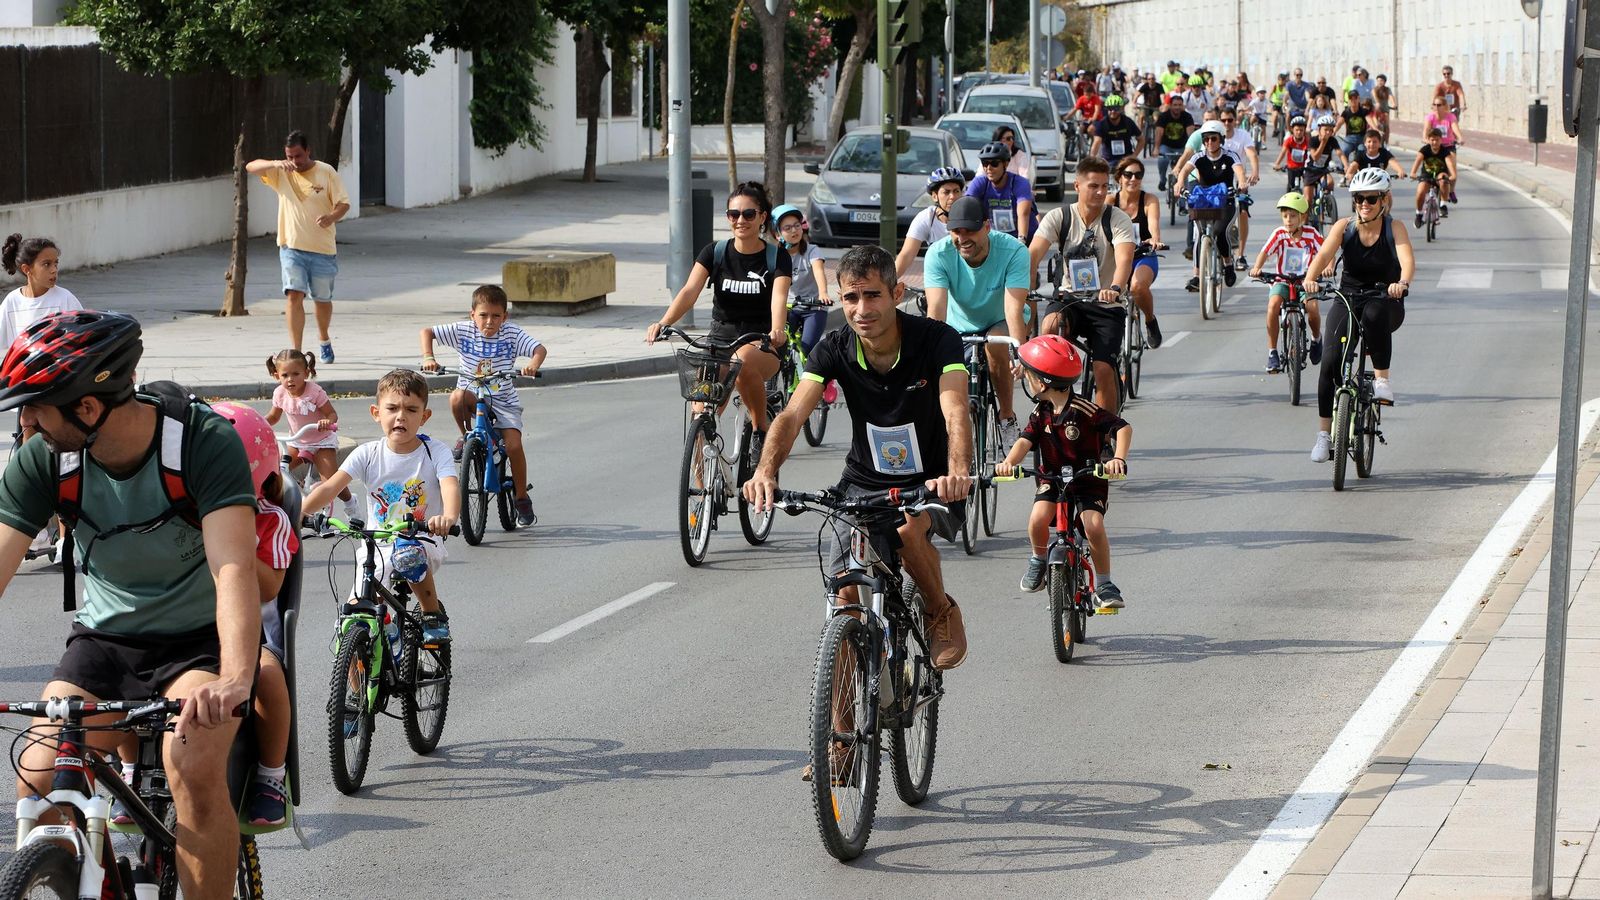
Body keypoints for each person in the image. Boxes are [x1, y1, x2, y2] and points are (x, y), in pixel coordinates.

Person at [0, 310, 259, 898]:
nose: (26, 423)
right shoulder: (44, 458)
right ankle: (83, 879)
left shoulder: (200, 441)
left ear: (87, 408)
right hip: (103, 642)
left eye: (35, 407)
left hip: (196, 644)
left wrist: (237, 679)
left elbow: (234, 568)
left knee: (191, 766)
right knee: (38, 778)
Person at [743, 244, 971, 669]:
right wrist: (765, 471)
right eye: (850, 297)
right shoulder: (834, 348)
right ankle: (841, 736)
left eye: (872, 295)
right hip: (864, 481)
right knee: (844, 600)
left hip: (933, 480)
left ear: (897, 293)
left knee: (905, 532)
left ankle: (939, 608)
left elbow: (956, 407)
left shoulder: (938, 339)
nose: (860, 308)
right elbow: (793, 415)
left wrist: (958, 471)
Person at [301, 369, 461, 640]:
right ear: (377, 413)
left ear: (424, 416)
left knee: (408, 554)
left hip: (422, 539)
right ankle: (357, 670)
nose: (401, 416)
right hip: (377, 547)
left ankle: (432, 614)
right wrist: (298, 512)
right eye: (392, 408)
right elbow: (331, 487)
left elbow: (450, 485)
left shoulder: (436, 452)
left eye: (411, 410)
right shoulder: (368, 453)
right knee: (351, 625)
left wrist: (448, 516)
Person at [207, 402, 300, 828]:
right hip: (186, 631)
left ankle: (270, 773)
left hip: (251, 634)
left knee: (268, 676)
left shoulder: (271, 520)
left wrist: (233, 539)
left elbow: (268, 588)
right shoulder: (183, 514)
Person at [645, 181, 790, 440]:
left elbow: (778, 298)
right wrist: (663, 322)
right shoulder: (715, 252)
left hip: (762, 342)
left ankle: (759, 431)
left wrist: (777, 329)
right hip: (718, 342)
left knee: (742, 362)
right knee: (700, 417)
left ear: (762, 218)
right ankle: (704, 479)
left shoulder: (776, 257)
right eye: (734, 214)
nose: (740, 220)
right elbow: (690, 291)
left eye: (748, 214)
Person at [995, 335, 1131, 607]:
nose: (1026, 379)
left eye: (1029, 375)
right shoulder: (1040, 412)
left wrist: (1118, 458)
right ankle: (1038, 559)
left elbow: (1123, 428)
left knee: (1093, 525)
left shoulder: (1085, 410)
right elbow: (1025, 441)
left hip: (1087, 479)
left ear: (1043, 383)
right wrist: (1008, 462)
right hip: (1053, 479)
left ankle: (1104, 583)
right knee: (1037, 520)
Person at [1302, 168, 1414, 462]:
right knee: (1330, 362)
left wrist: (1401, 284)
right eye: (1358, 198)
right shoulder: (1344, 227)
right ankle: (1324, 435)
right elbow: (1323, 256)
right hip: (1348, 296)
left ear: (1384, 199)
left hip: (1384, 298)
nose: (1364, 203)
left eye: (1371, 198)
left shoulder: (1395, 227)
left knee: (1375, 314)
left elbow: (1406, 261)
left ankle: (1382, 380)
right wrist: (1310, 279)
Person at [419, 285, 546, 527]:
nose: (489, 321)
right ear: (472, 314)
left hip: (503, 401)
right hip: (472, 395)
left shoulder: (511, 333)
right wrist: (428, 357)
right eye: (483, 315)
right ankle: (466, 436)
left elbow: (539, 349)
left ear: (505, 317)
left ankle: (521, 497)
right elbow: (427, 332)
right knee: (456, 397)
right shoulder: (463, 331)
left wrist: (532, 364)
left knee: (514, 445)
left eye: (496, 316)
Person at [1027, 157, 1138, 413]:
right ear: (1077, 185)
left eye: (1104, 186)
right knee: (1050, 327)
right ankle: (1051, 410)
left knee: (1102, 369)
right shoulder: (1059, 217)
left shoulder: (1117, 219)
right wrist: (1023, 287)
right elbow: (1032, 256)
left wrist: (1117, 287)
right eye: (1093, 186)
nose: (1100, 192)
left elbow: (1124, 259)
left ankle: (1105, 432)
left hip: (1106, 305)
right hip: (1070, 300)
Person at [2, 234, 83, 561]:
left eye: (56, 264)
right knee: (29, 461)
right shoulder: (12, 304)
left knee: (66, 461)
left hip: (61, 394)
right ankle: (35, 530)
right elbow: (8, 352)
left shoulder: (65, 300)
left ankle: (66, 538)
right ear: (26, 269)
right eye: (46, 264)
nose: (54, 271)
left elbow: (82, 340)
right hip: (29, 397)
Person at [924, 196, 1030, 442]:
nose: (962, 239)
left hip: (1000, 320)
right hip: (958, 325)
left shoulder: (1014, 251)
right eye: (956, 231)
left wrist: (1020, 352)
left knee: (995, 345)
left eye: (970, 231)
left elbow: (1013, 308)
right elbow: (936, 310)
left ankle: (1006, 416)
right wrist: (929, 351)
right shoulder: (938, 254)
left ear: (987, 226)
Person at [245, 130, 350, 364]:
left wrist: (331, 217)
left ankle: (323, 338)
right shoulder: (281, 172)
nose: (294, 162)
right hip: (291, 247)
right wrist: (276, 163)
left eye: (298, 156)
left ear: (308, 151)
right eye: (290, 156)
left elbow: (344, 203)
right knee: (294, 294)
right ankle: (297, 352)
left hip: (322, 249)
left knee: (322, 299)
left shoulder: (326, 172)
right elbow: (251, 167)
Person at [264, 348, 359, 520]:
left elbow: (332, 414)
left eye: (296, 374)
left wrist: (327, 422)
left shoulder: (314, 392)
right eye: (285, 375)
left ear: (306, 373)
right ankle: (289, 498)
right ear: (277, 375)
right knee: (278, 471)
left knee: (331, 480)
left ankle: (350, 502)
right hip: (297, 441)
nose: (290, 379)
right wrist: (260, 423)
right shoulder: (279, 393)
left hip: (322, 441)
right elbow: (273, 416)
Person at [1249, 192, 1324, 373]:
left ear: (1302, 217)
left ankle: (1316, 339)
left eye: (1292, 216)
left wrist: (1328, 266)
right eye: (1285, 216)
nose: (1288, 220)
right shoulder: (1280, 234)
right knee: (1273, 305)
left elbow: (1326, 253)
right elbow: (1265, 252)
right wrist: (1257, 268)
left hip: (1306, 282)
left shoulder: (1312, 234)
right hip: (1282, 280)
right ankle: (1273, 352)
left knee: (1312, 307)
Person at [1110, 156, 1166, 349]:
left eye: (1138, 175)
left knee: (1137, 287)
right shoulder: (1110, 201)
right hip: (1115, 260)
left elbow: (1153, 226)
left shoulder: (1149, 200)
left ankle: (1150, 320)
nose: (1133, 179)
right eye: (1128, 174)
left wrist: (1154, 239)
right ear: (1119, 178)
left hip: (1143, 257)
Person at [772, 205, 832, 357]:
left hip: (814, 307)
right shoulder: (775, 256)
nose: (794, 230)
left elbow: (818, 271)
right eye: (787, 227)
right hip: (789, 307)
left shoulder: (812, 250)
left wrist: (823, 293)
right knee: (777, 346)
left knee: (807, 348)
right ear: (778, 234)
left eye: (797, 225)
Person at [897, 167, 964, 278]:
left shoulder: (969, 215)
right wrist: (888, 284)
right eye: (946, 192)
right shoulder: (926, 217)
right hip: (938, 278)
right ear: (934, 196)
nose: (952, 196)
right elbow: (906, 255)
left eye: (956, 191)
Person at [966, 142, 1037, 244]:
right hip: (993, 239)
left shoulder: (1020, 183)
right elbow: (967, 207)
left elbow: (1023, 214)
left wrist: (1021, 241)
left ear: (1006, 164)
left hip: (1023, 238)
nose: (989, 168)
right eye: (985, 163)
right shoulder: (980, 182)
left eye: (994, 163)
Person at [1410, 128, 1457, 225]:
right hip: (1426, 175)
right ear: (1428, 139)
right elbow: (1417, 161)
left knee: (1444, 180)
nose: (1434, 142)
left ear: (1441, 140)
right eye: (1432, 140)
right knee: (1420, 191)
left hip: (1440, 174)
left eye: (1437, 139)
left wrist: (1452, 175)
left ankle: (1443, 204)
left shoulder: (1445, 152)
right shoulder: (1424, 150)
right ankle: (1419, 214)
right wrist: (1413, 173)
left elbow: (1450, 165)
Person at [1303, 115, 1348, 211]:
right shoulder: (1313, 140)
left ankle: (1326, 201)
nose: (1328, 132)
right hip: (1310, 170)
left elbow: (1340, 154)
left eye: (1331, 130)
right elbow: (1315, 157)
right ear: (1319, 129)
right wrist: (1323, 143)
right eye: (1325, 129)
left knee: (1330, 182)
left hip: (1322, 170)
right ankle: (1306, 222)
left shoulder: (1332, 140)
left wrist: (1346, 166)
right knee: (1307, 201)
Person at [1153, 93, 1197, 191]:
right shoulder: (1163, 116)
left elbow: (1191, 135)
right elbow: (1159, 133)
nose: (1177, 107)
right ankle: (1162, 179)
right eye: (1175, 105)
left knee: (1184, 170)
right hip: (1167, 146)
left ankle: (1182, 203)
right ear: (1170, 105)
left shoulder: (1187, 117)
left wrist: (1192, 149)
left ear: (1182, 106)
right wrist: (1156, 148)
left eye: (1179, 105)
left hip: (1182, 147)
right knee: (1162, 160)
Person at [1424, 98, 1463, 203]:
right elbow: (1426, 130)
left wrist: (1460, 138)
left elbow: (1455, 128)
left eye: (1439, 105)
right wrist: (1425, 139)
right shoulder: (1430, 117)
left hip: (1448, 146)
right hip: (1435, 146)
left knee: (1452, 168)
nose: (1436, 107)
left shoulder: (1450, 117)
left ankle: (1451, 191)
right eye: (1434, 105)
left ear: (1445, 106)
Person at [1091, 95, 1144, 166]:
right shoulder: (1102, 124)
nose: (1113, 111)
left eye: (1116, 108)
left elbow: (1141, 139)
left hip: (1126, 160)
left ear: (1121, 109)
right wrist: (1092, 160)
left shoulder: (1128, 122)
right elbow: (1097, 142)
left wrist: (1134, 156)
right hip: (1108, 160)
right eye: (1110, 108)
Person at [1275, 115, 1312, 193]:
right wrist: (1277, 164)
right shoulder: (1289, 140)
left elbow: (1311, 153)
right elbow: (1283, 152)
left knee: (1309, 185)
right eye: (1297, 130)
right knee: (1290, 186)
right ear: (1292, 130)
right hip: (1292, 167)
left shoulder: (1307, 141)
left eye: (1301, 130)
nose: (1299, 132)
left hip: (1304, 167)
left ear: (1304, 130)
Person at [1372, 74, 1396, 144]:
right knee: (1376, 125)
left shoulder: (1387, 89)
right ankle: (1376, 139)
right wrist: (1377, 103)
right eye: (1378, 80)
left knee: (1387, 126)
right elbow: (1374, 96)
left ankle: (1387, 143)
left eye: (1381, 80)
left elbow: (1391, 96)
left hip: (1385, 109)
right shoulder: (1374, 89)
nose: (1379, 82)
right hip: (1376, 110)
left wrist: (1394, 104)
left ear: (1384, 82)